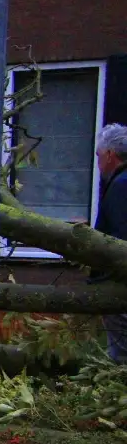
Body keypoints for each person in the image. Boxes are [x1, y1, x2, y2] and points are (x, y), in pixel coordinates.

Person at [89, 123, 127, 361]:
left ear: (110, 155)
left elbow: (120, 237)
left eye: (99, 156)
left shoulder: (121, 186)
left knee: (121, 355)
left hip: (118, 285)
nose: (98, 163)